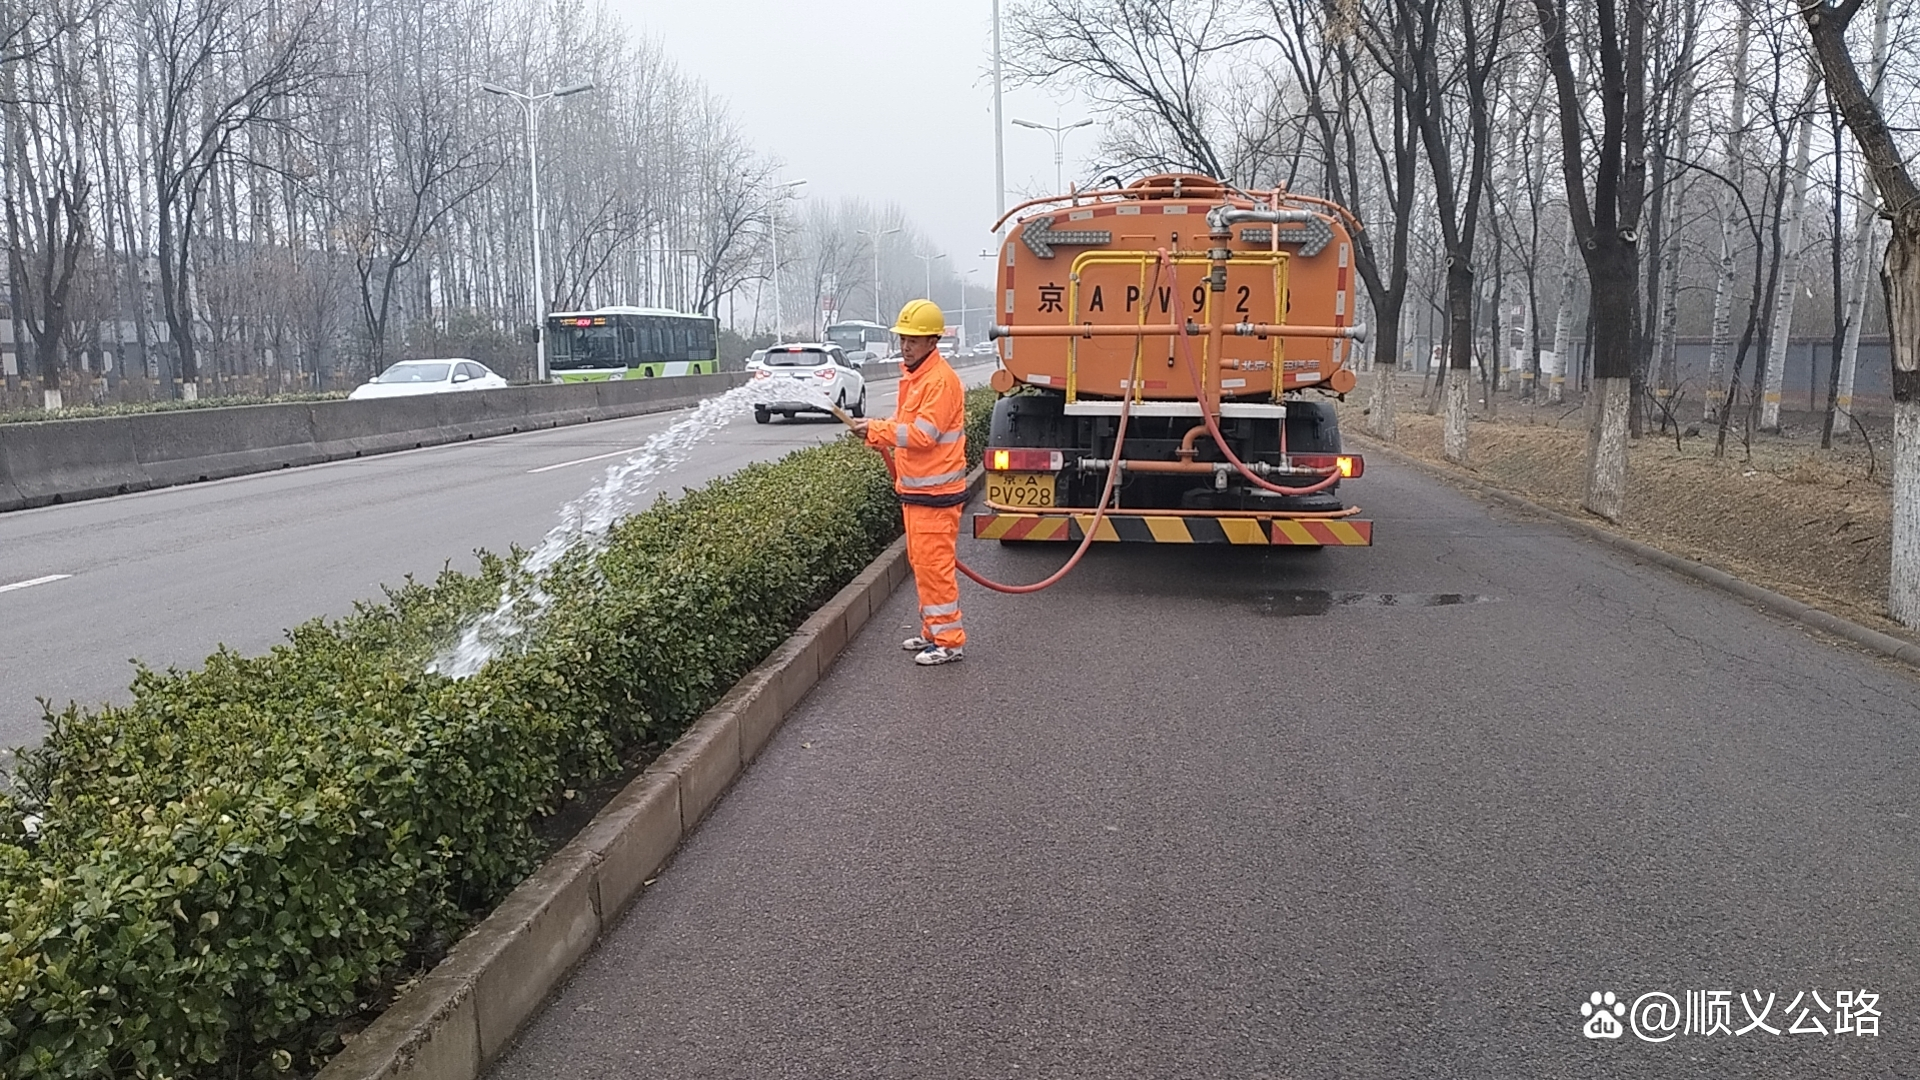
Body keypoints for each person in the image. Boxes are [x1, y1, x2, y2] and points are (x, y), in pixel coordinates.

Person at [850, 299, 969, 666]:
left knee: (935, 568)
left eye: (913, 340)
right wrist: (876, 431)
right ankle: (933, 631)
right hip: (919, 493)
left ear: (933, 341)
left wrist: (877, 430)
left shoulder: (939, 382)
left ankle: (949, 642)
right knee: (923, 565)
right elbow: (905, 427)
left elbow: (923, 435)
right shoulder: (917, 379)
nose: (905, 346)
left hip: (935, 495)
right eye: (903, 339)